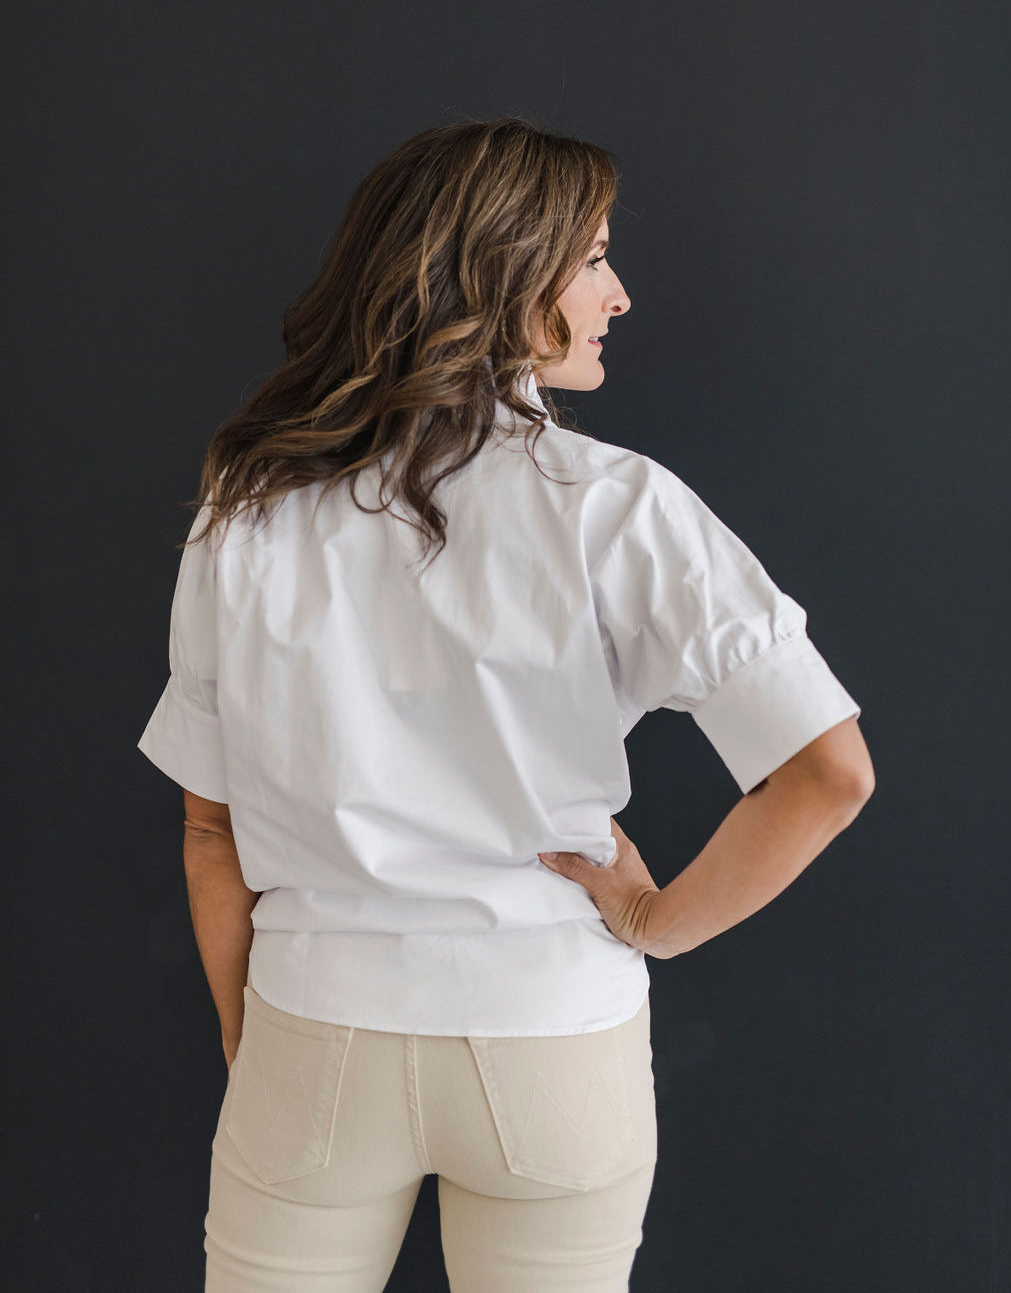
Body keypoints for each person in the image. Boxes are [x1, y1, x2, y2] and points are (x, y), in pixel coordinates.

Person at [137, 115, 875, 1293]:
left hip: (315, 1033)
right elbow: (827, 772)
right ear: (503, 273)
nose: (617, 294)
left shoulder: (250, 498)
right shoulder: (616, 506)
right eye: (593, 259)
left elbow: (207, 828)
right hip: (552, 1038)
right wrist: (658, 922)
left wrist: (250, 1038)